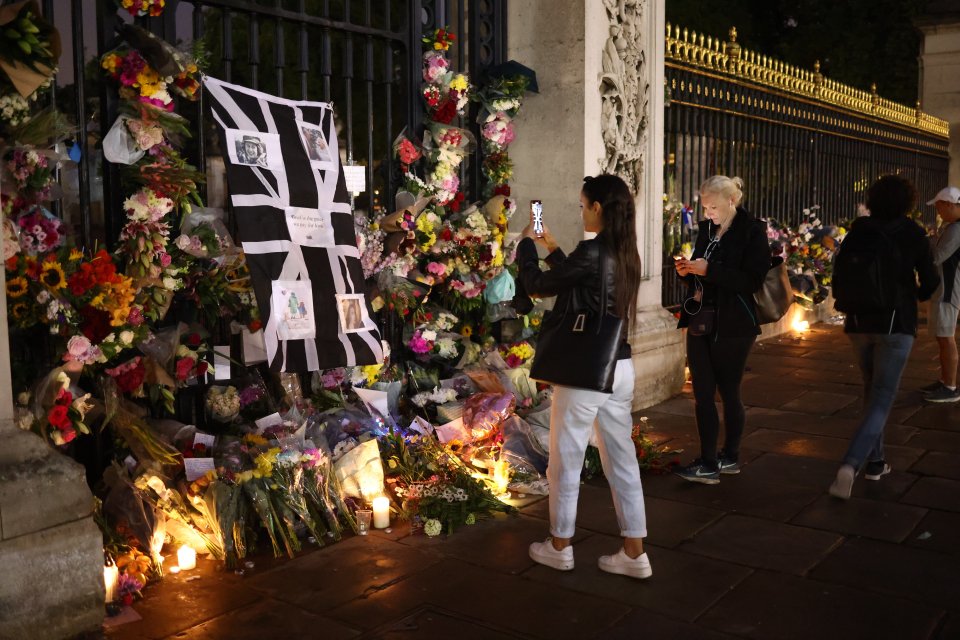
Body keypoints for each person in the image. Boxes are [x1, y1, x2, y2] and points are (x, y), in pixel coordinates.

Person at [516, 174, 651, 579]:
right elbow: (582, 281)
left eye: (582, 205)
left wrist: (525, 243)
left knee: (566, 460)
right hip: (619, 366)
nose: (580, 211)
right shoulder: (624, 252)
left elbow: (539, 285)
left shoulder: (594, 251)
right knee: (621, 461)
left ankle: (559, 545)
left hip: (585, 370)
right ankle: (634, 552)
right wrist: (552, 246)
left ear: (597, 208)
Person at [828, 175, 939, 499]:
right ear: (908, 202)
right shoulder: (913, 233)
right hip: (895, 323)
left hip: (859, 322)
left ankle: (876, 462)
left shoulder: (859, 229)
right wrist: (916, 294)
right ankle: (850, 464)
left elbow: (841, 270)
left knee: (870, 391)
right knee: (882, 397)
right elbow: (930, 279)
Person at [674, 176, 769, 484]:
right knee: (702, 392)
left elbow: (751, 281)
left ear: (731, 201)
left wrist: (709, 270)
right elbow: (703, 276)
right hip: (702, 318)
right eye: (705, 207)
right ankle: (708, 461)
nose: (708, 213)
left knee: (729, 391)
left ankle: (730, 456)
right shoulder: (707, 231)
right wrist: (688, 273)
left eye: (713, 206)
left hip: (734, 324)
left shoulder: (752, 231)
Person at [920, 186, 960, 403]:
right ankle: (945, 381)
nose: (938, 212)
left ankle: (951, 387)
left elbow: (937, 256)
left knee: (946, 338)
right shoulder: (952, 226)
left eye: (939, 207)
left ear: (950, 204)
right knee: (942, 337)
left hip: (948, 289)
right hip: (943, 288)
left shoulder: (956, 229)